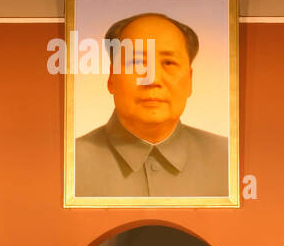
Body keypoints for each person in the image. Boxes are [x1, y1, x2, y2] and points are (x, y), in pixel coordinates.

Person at [74, 12, 229, 198]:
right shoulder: (69, 162)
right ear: (111, 78)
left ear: (189, 79)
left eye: (169, 63)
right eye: (137, 62)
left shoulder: (228, 159)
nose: (152, 79)